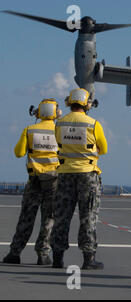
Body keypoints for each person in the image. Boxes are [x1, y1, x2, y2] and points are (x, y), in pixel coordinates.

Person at [50, 88, 107, 270]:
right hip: (88, 175)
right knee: (88, 217)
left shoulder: (59, 124)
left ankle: (58, 258)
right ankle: (88, 258)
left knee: (61, 217)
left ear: (69, 102)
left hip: (65, 174)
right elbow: (104, 149)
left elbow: (57, 144)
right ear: (85, 103)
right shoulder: (93, 124)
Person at [3, 99, 61, 265]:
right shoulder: (59, 130)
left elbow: (18, 153)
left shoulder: (29, 130)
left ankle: (15, 253)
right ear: (56, 113)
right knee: (48, 218)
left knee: (27, 216)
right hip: (53, 179)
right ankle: (43, 254)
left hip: (34, 179)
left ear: (38, 113)